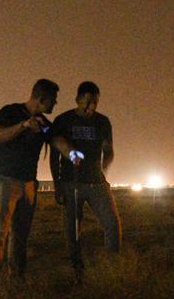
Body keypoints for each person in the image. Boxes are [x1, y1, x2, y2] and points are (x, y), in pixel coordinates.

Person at [0, 79, 78, 276]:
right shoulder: (10, 112)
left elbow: (56, 140)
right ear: (41, 99)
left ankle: (16, 282)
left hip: (28, 184)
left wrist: (72, 154)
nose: (55, 104)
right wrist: (24, 125)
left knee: (20, 237)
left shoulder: (43, 124)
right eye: (53, 100)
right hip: (4, 180)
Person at [50, 81, 121, 279]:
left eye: (95, 103)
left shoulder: (103, 122)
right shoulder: (63, 121)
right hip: (71, 182)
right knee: (73, 228)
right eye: (87, 102)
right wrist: (57, 184)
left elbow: (108, 149)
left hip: (96, 182)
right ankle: (76, 268)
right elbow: (55, 157)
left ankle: (113, 265)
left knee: (112, 223)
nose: (91, 107)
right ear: (77, 99)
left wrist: (105, 165)